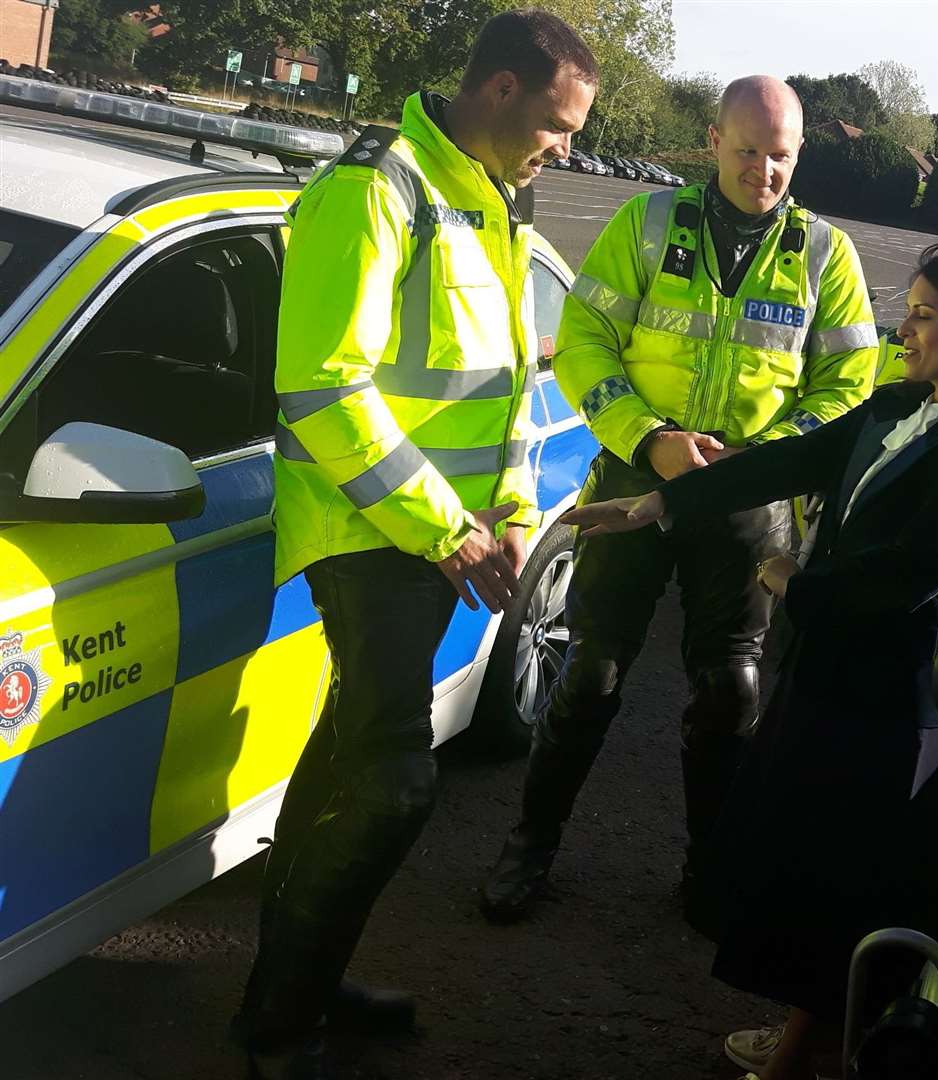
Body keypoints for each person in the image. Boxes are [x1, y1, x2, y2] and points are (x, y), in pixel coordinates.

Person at [562, 242, 938, 1080]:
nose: (906, 328)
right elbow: (784, 463)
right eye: (912, 308)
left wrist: (794, 582)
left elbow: (916, 575)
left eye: (926, 316)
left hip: (895, 708)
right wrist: (660, 501)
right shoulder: (898, 409)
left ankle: (800, 1059)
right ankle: (817, 1037)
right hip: (826, 680)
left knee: (853, 893)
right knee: (810, 880)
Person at [232, 12, 597, 1078]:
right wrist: (448, 529)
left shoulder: (490, 204)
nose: (565, 148)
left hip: (447, 540)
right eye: (557, 124)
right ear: (495, 91)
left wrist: (520, 509)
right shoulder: (373, 190)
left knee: (344, 766)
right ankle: (274, 1029)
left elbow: (510, 388)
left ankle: (302, 979)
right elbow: (318, 389)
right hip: (368, 532)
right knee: (392, 784)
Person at [479, 75, 880, 924]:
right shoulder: (648, 222)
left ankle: (709, 872)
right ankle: (529, 848)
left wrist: (757, 461)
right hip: (638, 473)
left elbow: (849, 385)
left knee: (731, 690)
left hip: (748, 498)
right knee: (589, 672)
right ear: (712, 142)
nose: (762, 171)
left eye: (779, 156)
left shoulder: (825, 254)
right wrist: (650, 437)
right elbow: (585, 341)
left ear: (798, 154)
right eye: (746, 150)